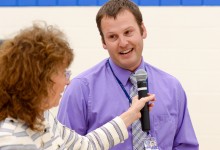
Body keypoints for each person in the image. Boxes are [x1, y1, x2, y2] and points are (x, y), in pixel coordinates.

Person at [57, 0, 199, 149]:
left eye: (128, 32)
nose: (123, 43)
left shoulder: (171, 87)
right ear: (103, 42)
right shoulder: (81, 89)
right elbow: (63, 147)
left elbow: (186, 146)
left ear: (143, 30)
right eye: (113, 37)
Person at [0, 22, 156, 150]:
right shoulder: (13, 139)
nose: (68, 81)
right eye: (63, 73)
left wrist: (132, 114)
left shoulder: (43, 118)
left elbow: (85, 145)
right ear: (40, 78)